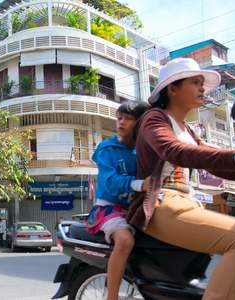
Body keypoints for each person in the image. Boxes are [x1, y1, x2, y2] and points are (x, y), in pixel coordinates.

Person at [126, 57, 235, 300]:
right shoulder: (154, 119)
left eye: (202, 83)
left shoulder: (187, 129)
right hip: (161, 204)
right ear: (173, 89)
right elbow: (174, 151)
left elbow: (214, 160)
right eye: (195, 82)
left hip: (187, 203)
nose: (202, 88)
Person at [87, 101, 150, 300]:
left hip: (135, 208)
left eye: (128, 119)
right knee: (124, 240)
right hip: (108, 208)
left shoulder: (143, 149)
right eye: (119, 118)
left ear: (140, 123)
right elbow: (109, 181)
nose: (121, 122)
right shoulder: (107, 148)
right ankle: (111, 296)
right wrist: (140, 184)